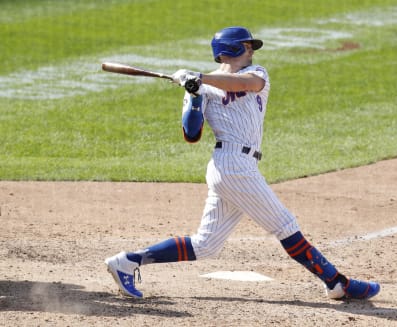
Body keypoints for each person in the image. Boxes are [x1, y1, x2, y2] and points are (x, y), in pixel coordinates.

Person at [105, 26, 380, 300]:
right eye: (247, 46)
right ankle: (336, 283)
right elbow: (191, 134)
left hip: (237, 167)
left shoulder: (258, 74)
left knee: (207, 245)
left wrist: (200, 78)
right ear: (231, 49)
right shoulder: (201, 87)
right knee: (285, 225)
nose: (252, 50)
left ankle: (128, 261)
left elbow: (245, 84)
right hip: (231, 165)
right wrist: (194, 95)